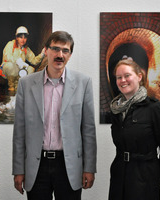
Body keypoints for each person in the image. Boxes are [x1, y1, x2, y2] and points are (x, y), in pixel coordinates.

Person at [12, 31, 97, 200]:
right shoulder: (26, 84)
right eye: (55, 49)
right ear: (46, 50)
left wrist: (89, 168)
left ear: (70, 55)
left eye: (65, 51)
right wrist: (19, 170)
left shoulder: (83, 83)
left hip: (69, 166)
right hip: (37, 166)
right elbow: (19, 132)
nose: (60, 55)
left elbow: (88, 130)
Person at [108, 56, 160, 200]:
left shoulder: (154, 108)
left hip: (145, 176)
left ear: (139, 76)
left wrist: (159, 173)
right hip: (119, 175)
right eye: (119, 77)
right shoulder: (116, 109)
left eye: (127, 75)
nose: (122, 80)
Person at [0, 26, 45, 92]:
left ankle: (19, 86)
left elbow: (34, 61)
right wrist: (19, 62)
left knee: (31, 69)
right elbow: (7, 57)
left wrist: (42, 54)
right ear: (17, 37)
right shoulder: (10, 44)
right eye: (21, 37)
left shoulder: (26, 49)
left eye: (25, 37)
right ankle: (11, 87)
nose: (23, 40)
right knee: (10, 66)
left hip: (19, 72)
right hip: (8, 70)